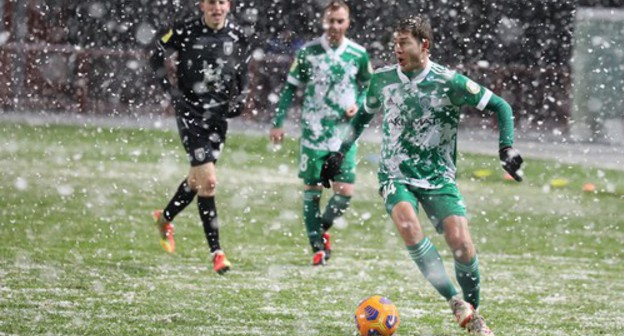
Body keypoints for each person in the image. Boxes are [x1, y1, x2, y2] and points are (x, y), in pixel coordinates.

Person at [320, 16, 524, 335]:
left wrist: (506, 149)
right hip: (395, 173)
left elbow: (501, 106)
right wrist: (339, 151)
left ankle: (474, 313)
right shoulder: (382, 79)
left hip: (439, 177)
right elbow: (362, 117)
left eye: (404, 43)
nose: (397, 49)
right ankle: (455, 301)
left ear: (424, 46)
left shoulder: (450, 82)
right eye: (395, 43)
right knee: (408, 225)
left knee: (462, 245)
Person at [148, 0, 250, 275]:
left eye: (221, 2)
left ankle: (165, 217)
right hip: (191, 115)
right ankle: (217, 253)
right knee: (209, 182)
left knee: (196, 180)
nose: (216, 8)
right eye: (211, 2)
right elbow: (155, 54)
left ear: (228, 5)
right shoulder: (184, 30)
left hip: (218, 117)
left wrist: (241, 96)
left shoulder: (238, 35)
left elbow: (242, 70)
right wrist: (171, 92)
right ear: (201, 5)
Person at [269, 0, 373, 266]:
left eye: (340, 21)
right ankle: (317, 248)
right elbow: (291, 87)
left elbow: (368, 87)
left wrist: (357, 104)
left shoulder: (358, 54)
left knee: (345, 192)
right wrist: (278, 121)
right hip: (314, 132)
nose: (335, 26)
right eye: (331, 21)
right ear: (323, 21)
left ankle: (320, 229)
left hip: (343, 135)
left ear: (348, 23)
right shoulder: (309, 52)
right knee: (312, 189)